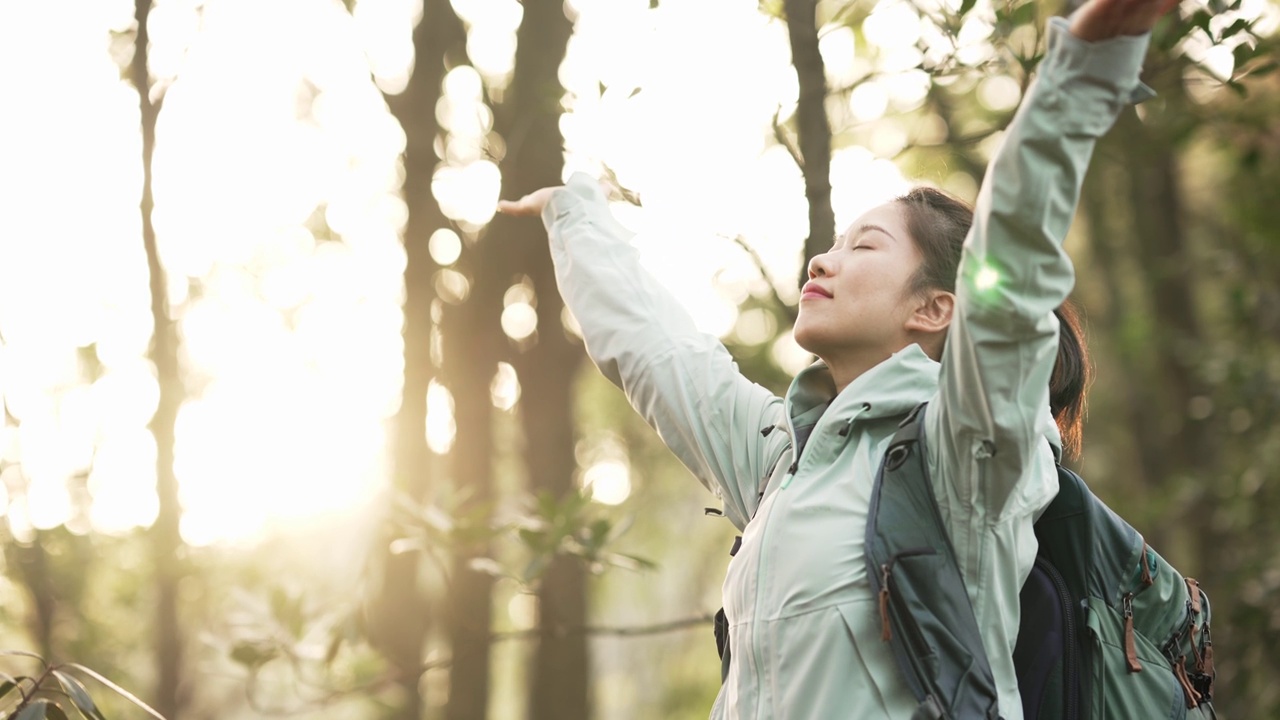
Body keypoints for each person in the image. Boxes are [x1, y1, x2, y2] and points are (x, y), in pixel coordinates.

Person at [497, 0, 1177, 716]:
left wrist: (1085, 70)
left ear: (937, 308)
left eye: (866, 245)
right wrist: (574, 217)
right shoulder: (779, 464)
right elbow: (658, 351)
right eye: (834, 242)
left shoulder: (967, 453)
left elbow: (1011, 244)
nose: (823, 258)